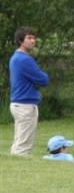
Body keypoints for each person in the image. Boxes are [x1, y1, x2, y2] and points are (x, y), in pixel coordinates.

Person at [9, 27, 49, 155]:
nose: (33, 41)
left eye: (34, 38)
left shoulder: (15, 57)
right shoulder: (24, 59)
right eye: (29, 38)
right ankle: (18, 171)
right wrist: (35, 81)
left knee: (18, 142)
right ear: (20, 40)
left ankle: (12, 167)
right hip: (25, 105)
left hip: (18, 104)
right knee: (23, 146)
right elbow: (44, 79)